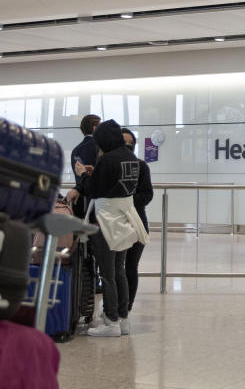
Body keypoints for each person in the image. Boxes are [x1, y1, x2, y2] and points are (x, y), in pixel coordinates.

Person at [75, 119, 149, 337]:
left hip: (106, 221)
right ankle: (123, 318)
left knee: (107, 273)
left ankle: (111, 321)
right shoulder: (131, 158)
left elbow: (94, 190)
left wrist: (83, 175)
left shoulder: (107, 159)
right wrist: (94, 173)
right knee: (119, 271)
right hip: (125, 219)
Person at [121, 128, 153, 311]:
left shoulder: (141, 166)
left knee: (130, 266)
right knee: (114, 269)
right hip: (114, 224)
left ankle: (126, 308)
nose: (127, 147)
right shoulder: (109, 165)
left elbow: (147, 195)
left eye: (130, 144)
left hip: (136, 223)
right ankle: (115, 307)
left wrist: (124, 202)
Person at [66, 114, 100, 219]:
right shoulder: (99, 147)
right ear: (95, 128)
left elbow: (78, 175)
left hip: (78, 198)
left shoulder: (75, 150)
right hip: (95, 199)